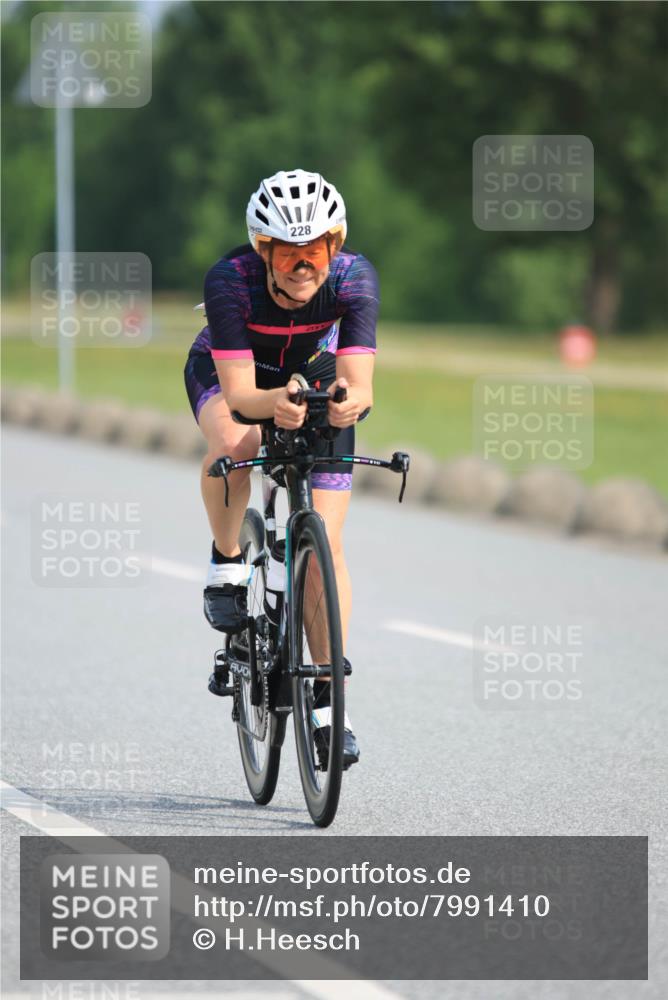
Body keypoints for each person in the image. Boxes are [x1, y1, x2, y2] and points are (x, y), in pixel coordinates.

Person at [183, 169, 378, 767]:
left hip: (313, 376)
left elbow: (361, 385)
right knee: (239, 445)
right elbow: (242, 396)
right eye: (288, 251)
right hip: (233, 374)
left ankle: (325, 703)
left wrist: (344, 401)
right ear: (264, 250)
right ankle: (226, 561)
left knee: (326, 544)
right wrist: (278, 407)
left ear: (334, 246)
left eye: (315, 248)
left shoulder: (354, 278)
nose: (303, 263)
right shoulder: (230, 280)